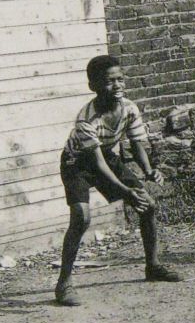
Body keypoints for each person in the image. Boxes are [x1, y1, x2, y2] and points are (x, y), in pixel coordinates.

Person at [53, 55, 182, 306]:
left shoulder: (129, 108)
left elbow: (136, 144)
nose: (117, 86)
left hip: (105, 157)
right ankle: (63, 284)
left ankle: (153, 265)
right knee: (81, 218)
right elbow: (98, 166)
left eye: (120, 79)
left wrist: (149, 170)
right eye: (109, 81)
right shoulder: (86, 119)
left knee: (148, 204)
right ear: (93, 86)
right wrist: (125, 191)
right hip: (77, 164)